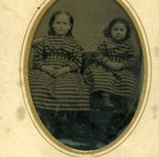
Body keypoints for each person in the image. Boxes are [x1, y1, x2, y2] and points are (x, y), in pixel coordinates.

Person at [29, 11, 90, 141]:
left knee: (70, 87)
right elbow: (37, 60)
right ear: (52, 25)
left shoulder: (73, 43)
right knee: (38, 86)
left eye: (64, 23)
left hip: (66, 71)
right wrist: (45, 67)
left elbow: (77, 60)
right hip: (46, 70)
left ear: (70, 26)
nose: (61, 26)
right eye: (58, 23)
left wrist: (65, 68)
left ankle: (64, 123)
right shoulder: (44, 42)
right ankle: (45, 122)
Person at [84, 17, 139, 143]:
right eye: (115, 29)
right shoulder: (105, 43)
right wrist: (107, 62)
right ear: (110, 31)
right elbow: (98, 54)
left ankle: (125, 104)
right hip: (105, 67)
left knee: (129, 81)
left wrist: (122, 65)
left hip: (121, 69)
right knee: (104, 77)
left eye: (121, 30)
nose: (118, 32)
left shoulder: (128, 47)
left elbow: (132, 59)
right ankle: (106, 99)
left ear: (126, 32)